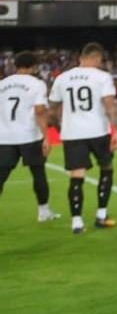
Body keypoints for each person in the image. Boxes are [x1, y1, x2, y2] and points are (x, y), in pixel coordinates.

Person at [49, 43, 117, 236]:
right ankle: (101, 216)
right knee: (106, 169)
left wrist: (61, 128)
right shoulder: (102, 77)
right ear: (97, 58)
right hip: (97, 131)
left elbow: (53, 110)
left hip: (72, 133)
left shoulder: (62, 78)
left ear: (80, 57)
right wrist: (115, 130)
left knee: (76, 176)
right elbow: (109, 105)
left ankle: (76, 222)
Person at [0, 50, 56, 222]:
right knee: (38, 172)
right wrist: (46, 136)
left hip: (5, 137)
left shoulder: (2, 84)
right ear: (34, 66)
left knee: (1, 176)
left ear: (16, 66)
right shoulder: (36, 84)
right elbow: (39, 111)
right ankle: (43, 212)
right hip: (29, 135)